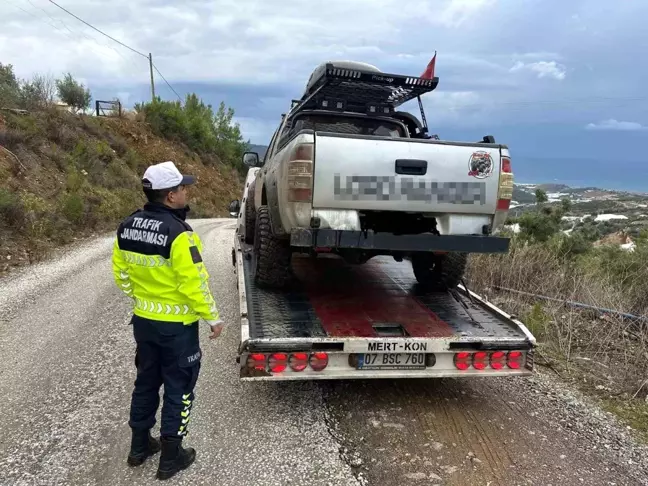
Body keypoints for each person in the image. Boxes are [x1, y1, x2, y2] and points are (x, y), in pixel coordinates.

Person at [111, 160, 223, 480]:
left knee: (146, 381)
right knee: (180, 387)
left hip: (144, 323)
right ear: (171, 196)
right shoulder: (181, 234)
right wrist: (212, 318)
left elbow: (120, 274)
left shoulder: (127, 225)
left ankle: (139, 447)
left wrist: (141, 297)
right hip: (177, 330)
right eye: (183, 188)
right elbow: (195, 284)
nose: (187, 192)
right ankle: (171, 456)